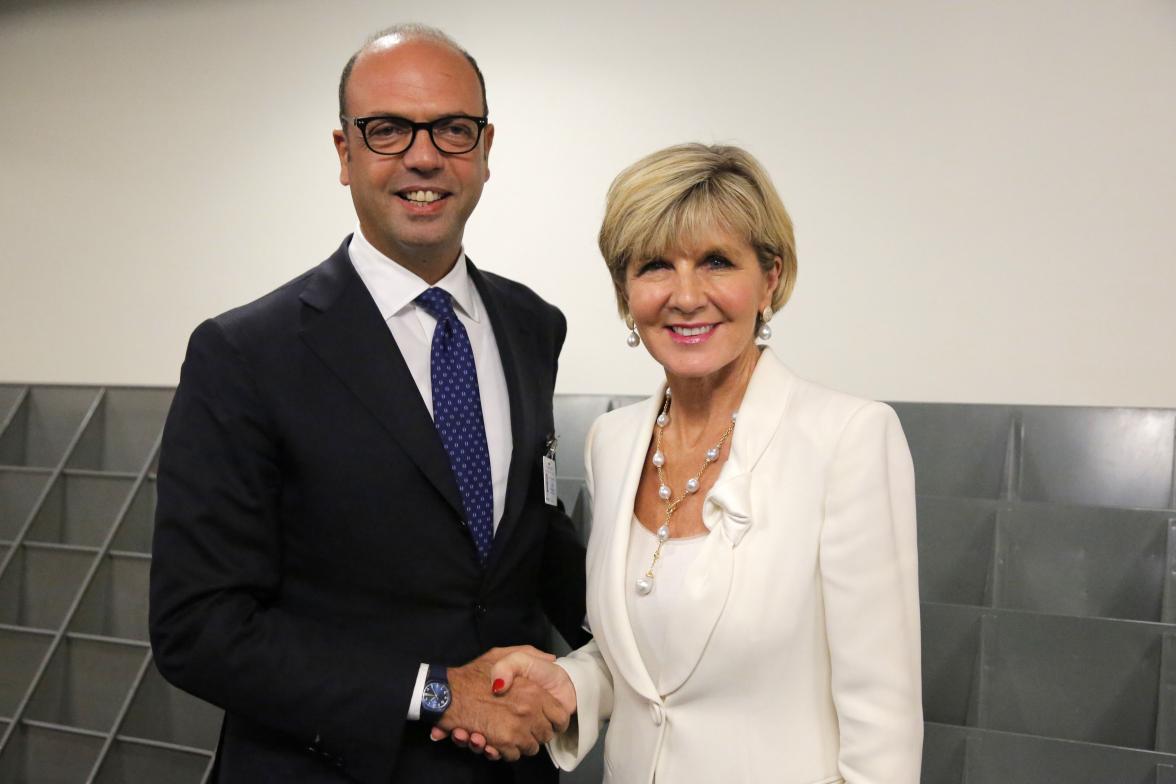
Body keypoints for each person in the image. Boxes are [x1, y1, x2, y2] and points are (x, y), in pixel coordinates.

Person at [148, 24, 588, 784]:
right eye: (387, 129)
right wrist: (435, 693)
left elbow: (530, 541)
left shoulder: (532, 326)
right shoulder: (248, 354)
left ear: (486, 149)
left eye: (453, 129)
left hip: (509, 772)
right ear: (344, 153)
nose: (424, 156)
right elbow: (199, 627)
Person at [466, 143, 924, 782]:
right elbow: (656, 661)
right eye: (655, 265)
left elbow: (883, 714)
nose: (685, 296)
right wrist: (569, 681)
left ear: (770, 278)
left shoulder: (847, 438)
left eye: (716, 261)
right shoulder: (613, 441)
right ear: (626, 294)